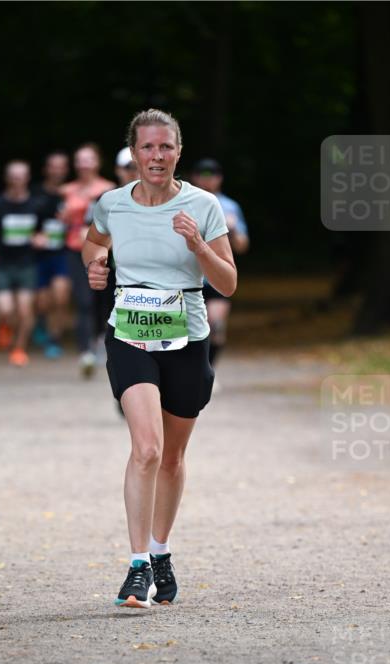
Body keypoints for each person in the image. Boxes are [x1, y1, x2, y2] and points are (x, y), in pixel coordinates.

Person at [82, 109, 236, 609]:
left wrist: (197, 245)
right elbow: (92, 245)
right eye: (147, 147)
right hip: (130, 335)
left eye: (165, 146)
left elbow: (228, 282)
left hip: (187, 338)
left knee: (171, 457)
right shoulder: (112, 204)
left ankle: (160, 551)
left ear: (178, 151)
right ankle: (137, 567)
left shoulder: (203, 205)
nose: (156, 156)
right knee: (146, 449)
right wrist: (96, 266)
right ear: (134, 153)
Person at [0, 161, 48, 366]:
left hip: (27, 263)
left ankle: (19, 349)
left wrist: (41, 239)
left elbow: (43, 230)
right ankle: (4, 325)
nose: (17, 181)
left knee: (25, 310)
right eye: (14, 177)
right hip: (2, 263)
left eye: (21, 177)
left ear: (27, 178)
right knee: (4, 309)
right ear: (7, 178)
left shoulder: (37, 205)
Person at [60, 144, 115, 376]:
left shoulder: (109, 189)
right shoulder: (66, 190)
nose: (84, 164)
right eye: (80, 160)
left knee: (102, 300)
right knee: (83, 300)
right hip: (74, 250)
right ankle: (85, 352)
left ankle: (101, 339)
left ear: (97, 162)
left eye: (88, 159)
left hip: (102, 250)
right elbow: (55, 221)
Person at [191, 158, 249, 368]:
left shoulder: (230, 207)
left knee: (215, 325)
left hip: (217, 278)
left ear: (220, 178)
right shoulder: (185, 203)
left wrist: (230, 229)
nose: (208, 180)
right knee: (191, 331)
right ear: (195, 177)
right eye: (203, 175)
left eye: (212, 175)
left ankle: (208, 370)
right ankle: (194, 372)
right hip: (190, 277)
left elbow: (242, 246)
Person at [32, 152, 71, 359]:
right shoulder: (34, 193)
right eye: (53, 166)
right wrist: (34, 236)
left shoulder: (71, 193)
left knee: (61, 296)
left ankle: (53, 339)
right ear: (46, 169)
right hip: (39, 255)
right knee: (42, 302)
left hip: (63, 253)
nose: (57, 170)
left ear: (66, 169)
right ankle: (40, 323)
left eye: (61, 166)